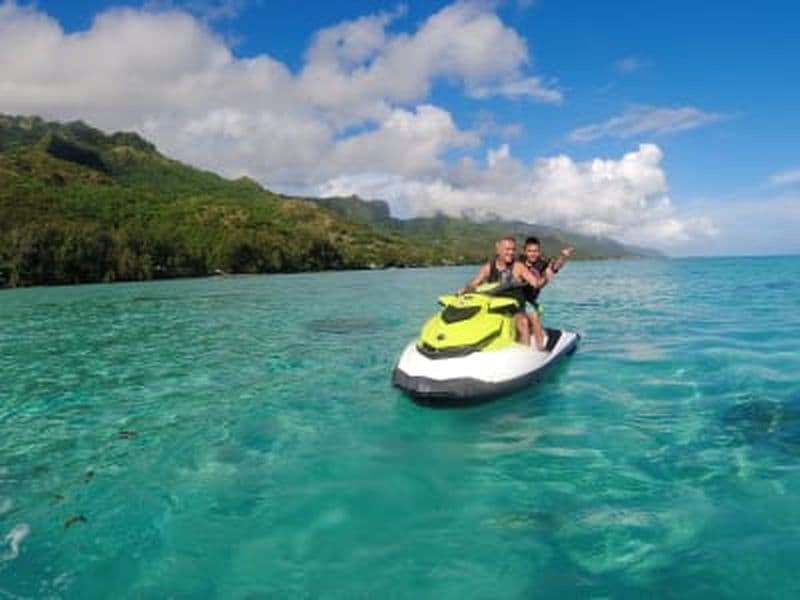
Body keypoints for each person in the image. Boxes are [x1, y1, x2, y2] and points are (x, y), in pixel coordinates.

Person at [457, 236, 546, 347]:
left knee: (523, 322)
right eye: (507, 249)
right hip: (495, 307)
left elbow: (535, 283)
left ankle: (526, 355)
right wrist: (464, 290)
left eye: (513, 249)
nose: (511, 252)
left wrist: (544, 277)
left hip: (516, 308)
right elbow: (474, 283)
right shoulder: (489, 267)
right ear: (498, 249)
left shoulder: (518, 267)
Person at [519, 237, 573, 350]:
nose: (532, 254)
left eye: (535, 251)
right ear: (524, 251)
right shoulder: (519, 262)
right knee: (532, 318)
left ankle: (540, 348)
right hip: (518, 298)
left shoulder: (542, 263)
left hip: (531, 300)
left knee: (532, 318)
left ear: (539, 252)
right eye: (529, 251)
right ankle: (539, 347)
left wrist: (563, 256)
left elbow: (555, 267)